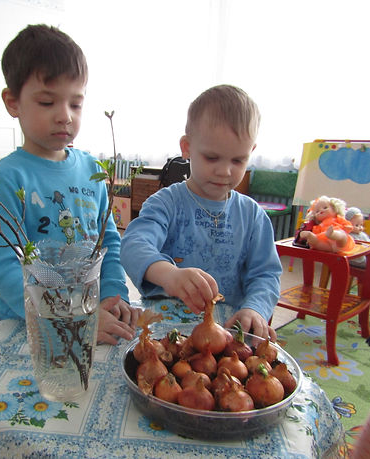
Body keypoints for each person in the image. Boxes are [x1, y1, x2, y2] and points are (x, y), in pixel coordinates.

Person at [0, 24, 140, 345]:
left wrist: (114, 293)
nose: (65, 116)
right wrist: (72, 318)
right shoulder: (3, 179)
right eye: (46, 102)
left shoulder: (93, 170)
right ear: (13, 102)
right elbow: (6, 271)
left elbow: (109, 241)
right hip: (29, 331)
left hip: (94, 318)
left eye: (76, 104)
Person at [120, 85, 282, 340]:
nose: (225, 171)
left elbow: (266, 274)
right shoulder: (166, 203)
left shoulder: (253, 216)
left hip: (226, 333)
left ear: (250, 153)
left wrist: (255, 308)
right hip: (165, 332)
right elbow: (133, 245)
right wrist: (170, 275)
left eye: (237, 160)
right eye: (212, 158)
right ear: (187, 148)